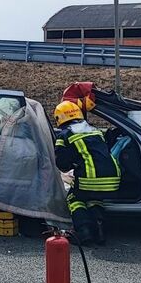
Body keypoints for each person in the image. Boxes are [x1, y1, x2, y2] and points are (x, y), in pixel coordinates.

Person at [53, 100, 121, 245]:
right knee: (93, 198)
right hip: (113, 179)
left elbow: (62, 163)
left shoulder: (65, 135)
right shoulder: (95, 130)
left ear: (60, 118)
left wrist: (72, 166)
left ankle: (84, 232)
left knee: (74, 199)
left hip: (91, 178)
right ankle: (100, 229)